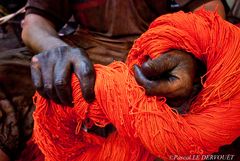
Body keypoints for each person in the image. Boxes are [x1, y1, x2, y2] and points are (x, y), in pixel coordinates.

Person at [0, 0, 225, 160]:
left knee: (220, 89)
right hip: (83, 51)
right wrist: (56, 49)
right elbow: (34, 25)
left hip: (157, 51)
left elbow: (209, 7)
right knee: (4, 74)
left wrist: (188, 53)